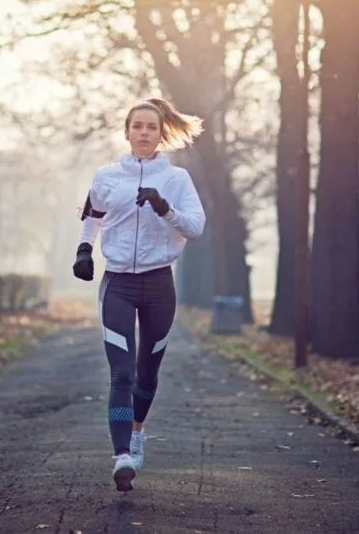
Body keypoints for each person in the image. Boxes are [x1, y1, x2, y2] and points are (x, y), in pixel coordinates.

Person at [72, 97, 207, 492]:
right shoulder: (107, 176)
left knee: (147, 373)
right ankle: (121, 457)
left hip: (159, 284)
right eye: (137, 126)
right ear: (127, 132)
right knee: (123, 372)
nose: (144, 133)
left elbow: (195, 227)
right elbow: (92, 215)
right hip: (118, 284)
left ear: (161, 133)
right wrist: (84, 250)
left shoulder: (177, 180)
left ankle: (136, 432)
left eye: (151, 127)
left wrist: (165, 209)